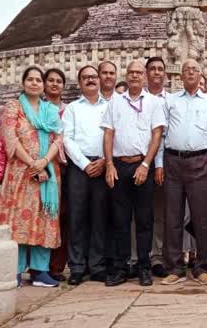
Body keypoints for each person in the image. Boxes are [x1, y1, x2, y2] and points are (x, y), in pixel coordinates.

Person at [0, 66, 63, 288]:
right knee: (19, 221)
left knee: (45, 217)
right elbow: (9, 139)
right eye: (30, 79)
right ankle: (14, 269)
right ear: (23, 83)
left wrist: (44, 163)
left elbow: (58, 138)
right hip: (21, 173)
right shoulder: (14, 107)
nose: (34, 83)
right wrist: (33, 164)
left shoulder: (49, 110)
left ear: (42, 85)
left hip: (47, 173)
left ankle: (41, 271)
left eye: (38, 80)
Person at [159, 59, 207, 285]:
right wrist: (158, 163)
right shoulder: (170, 100)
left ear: (200, 75)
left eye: (195, 69)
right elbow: (162, 134)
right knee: (172, 217)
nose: (190, 73)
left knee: (202, 217)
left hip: (201, 162)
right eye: (186, 70)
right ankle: (174, 268)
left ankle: (203, 267)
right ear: (180, 75)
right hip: (173, 162)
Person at [102, 60, 166, 287]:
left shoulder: (154, 103)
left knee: (144, 219)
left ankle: (144, 267)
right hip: (119, 166)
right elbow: (108, 134)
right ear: (126, 76)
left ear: (145, 76)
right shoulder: (115, 103)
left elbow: (157, 135)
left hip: (142, 166)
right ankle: (120, 267)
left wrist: (147, 164)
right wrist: (109, 164)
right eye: (131, 72)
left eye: (139, 72)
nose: (135, 76)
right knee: (120, 219)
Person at [61, 65, 110, 285]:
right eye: (85, 77)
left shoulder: (109, 106)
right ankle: (77, 266)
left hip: (102, 165)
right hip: (79, 168)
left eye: (93, 77)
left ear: (99, 80)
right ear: (80, 82)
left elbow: (113, 135)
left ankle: (97, 265)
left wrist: (103, 161)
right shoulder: (73, 108)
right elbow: (67, 138)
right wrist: (84, 163)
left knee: (100, 217)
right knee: (77, 217)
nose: (90, 80)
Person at [145, 56, 169, 277]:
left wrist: (159, 163)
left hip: (162, 163)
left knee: (160, 211)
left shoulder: (169, 101)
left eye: (160, 69)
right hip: (138, 161)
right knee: (138, 212)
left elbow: (164, 135)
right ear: (146, 73)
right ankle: (136, 256)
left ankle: (157, 256)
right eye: (152, 69)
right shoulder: (135, 99)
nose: (156, 72)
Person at [43, 67, 68, 281]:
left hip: (63, 167)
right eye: (50, 80)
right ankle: (38, 265)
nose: (54, 84)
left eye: (58, 81)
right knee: (43, 215)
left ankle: (56, 265)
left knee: (63, 216)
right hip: (40, 166)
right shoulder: (35, 108)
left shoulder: (68, 110)